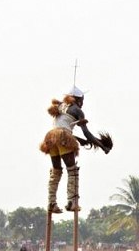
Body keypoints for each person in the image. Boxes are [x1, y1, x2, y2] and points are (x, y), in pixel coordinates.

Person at [40, 86, 112, 214]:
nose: (83, 103)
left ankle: (51, 203)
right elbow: (86, 133)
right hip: (62, 136)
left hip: (50, 138)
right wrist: (103, 147)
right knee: (72, 170)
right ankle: (72, 202)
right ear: (78, 99)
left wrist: (81, 140)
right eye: (82, 100)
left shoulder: (61, 106)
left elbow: (62, 127)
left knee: (56, 171)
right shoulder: (77, 110)